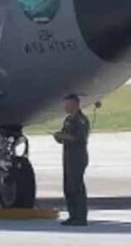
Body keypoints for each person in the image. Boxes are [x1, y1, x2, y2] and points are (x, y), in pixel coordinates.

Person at [53, 93, 91, 226]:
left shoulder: (81, 120)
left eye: (68, 105)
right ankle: (73, 215)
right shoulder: (68, 119)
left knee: (77, 187)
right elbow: (65, 135)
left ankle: (80, 217)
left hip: (78, 157)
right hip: (68, 156)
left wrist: (64, 137)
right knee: (68, 187)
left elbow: (80, 138)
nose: (66, 107)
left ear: (75, 105)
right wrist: (59, 137)